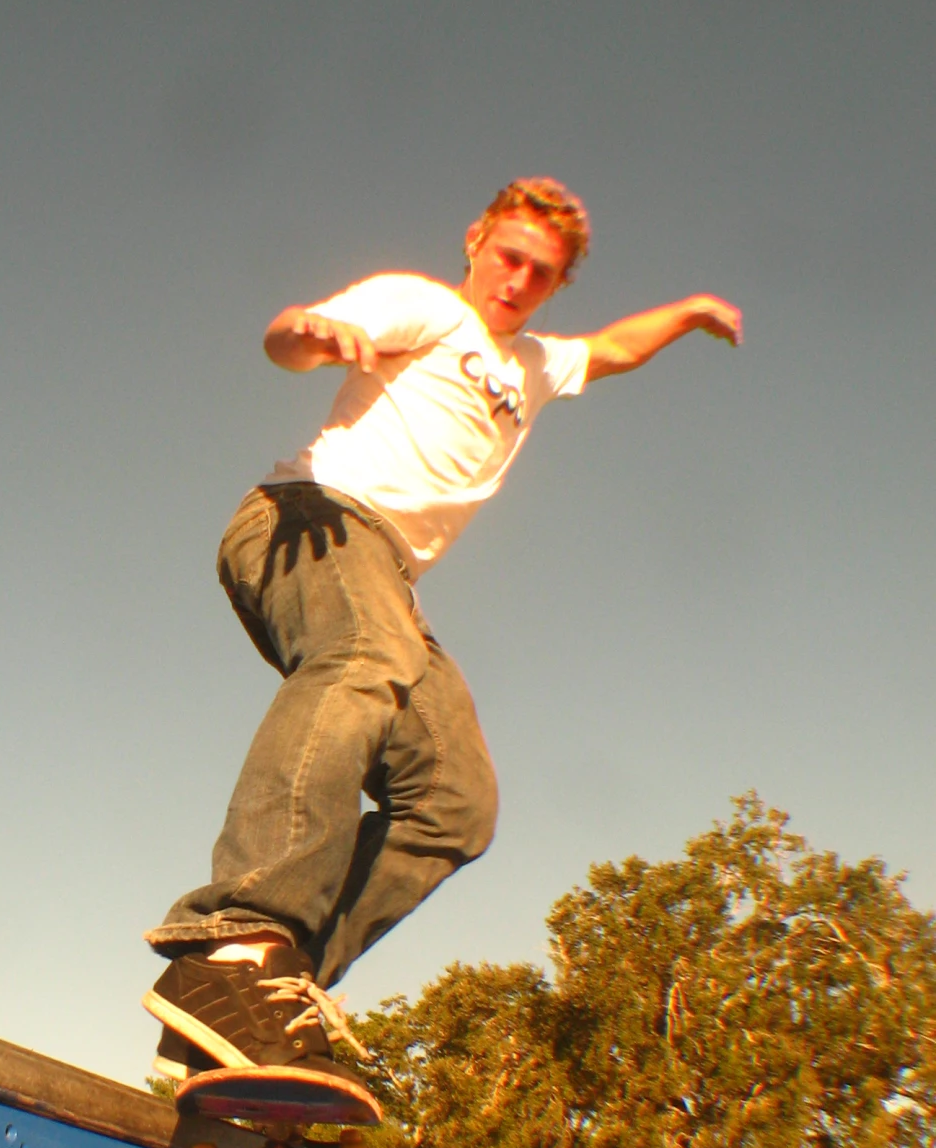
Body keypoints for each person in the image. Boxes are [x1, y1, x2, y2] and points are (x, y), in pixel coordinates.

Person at [144, 176, 741, 1079]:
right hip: (310, 518)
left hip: (390, 579)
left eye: (539, 274)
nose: (515, 281)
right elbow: (290, 338)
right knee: (362, 654)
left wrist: (692, 310)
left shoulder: (537, 366)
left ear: (554, 287)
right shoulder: (423, 308)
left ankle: (268, 1006)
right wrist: (308, 332)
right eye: (507, 256)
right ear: (475, 241)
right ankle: (235, 939)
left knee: (457, 803)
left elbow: (614, 348)